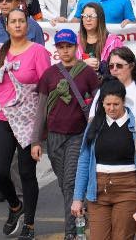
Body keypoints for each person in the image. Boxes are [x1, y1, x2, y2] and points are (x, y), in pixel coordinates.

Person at [0, 7, 50, 240]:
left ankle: (29, 223)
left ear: (27, 25)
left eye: (22, 21)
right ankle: (15, 207)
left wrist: (40, 131)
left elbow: (46, 91)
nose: (18, 25)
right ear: (6, 26)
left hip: (30, 121)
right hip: (3, 118)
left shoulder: (38, 52)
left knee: (27, 173)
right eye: (14, 22)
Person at [70, 77, 136, 240]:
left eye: (116, 104)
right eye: (107, 104)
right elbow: (84, 162)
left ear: (124, 101)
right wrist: (77, 198)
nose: (111, 108)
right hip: (97, 191)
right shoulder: (94, 125)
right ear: (101, 103)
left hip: (127, 190)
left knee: (122, 237)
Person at [38, 28, 101, 240]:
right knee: (64, 183)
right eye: (61, 47)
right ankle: (80, 211)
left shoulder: (87, 72)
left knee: (70, 183)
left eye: (69, 46)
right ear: (56, 49)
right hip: (55, 136)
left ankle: (71, 232)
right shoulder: (49, 74)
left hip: (78, 135)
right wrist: (36, 140)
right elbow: (41, 110)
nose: (65, 51)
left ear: (76, 47)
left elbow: (97, 102)